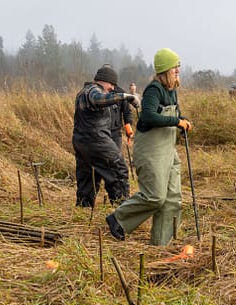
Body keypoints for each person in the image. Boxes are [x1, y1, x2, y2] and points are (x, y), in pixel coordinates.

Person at [106, 48, 192, 246]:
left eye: (178, 66)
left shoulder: (172, 91)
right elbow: (148, 116)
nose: (178, 70)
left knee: (172, 199)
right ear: (164, 70)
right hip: (151, 151)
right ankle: (118, 219)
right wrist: (176, 121)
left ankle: (162, 244)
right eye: (174, 67)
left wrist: (183, 120)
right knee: (155, 197)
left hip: (168, 151)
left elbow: (176, 114)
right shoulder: (154, 89)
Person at [72, 65, 139, 207]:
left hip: (81, 142)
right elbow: (99, 99)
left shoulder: (82, 92)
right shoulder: (93, 91)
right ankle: (122, 211)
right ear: (103, 80)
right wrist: (126, 96)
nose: (113, 88)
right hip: (97, 141)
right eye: (112, 84)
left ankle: (84, 210)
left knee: (88, 177)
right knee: (119, 169)